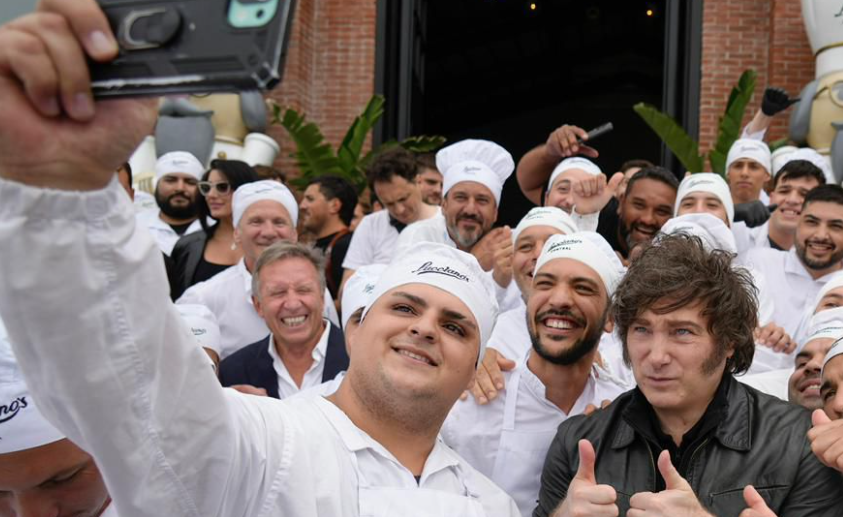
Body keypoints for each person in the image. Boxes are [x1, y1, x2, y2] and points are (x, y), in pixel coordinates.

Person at [534, 234, 843, 517]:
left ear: (729, 342)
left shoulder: (801, 444)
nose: (656, 356)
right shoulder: (578, 441)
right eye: (641, 329)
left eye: (682, 331)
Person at [442, 233, 627, 516]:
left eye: (583, 288)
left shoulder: (623, 411)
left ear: (610, 318)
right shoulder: (469, 403)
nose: (560, 299)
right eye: (545, 284)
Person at [177, 180, 339, 359]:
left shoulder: (316, 291)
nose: (269, 232)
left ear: (294, 234)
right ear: (237, 233)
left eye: (279, 222)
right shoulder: (202, 298)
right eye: (256, 222)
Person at [218, 242, 349, 399]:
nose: (292, 304)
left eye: (303, 290)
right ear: (258, 305)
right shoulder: (233, 372)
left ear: (322, 298)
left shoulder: (361, 359)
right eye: (278, 292)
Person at [741, 185, 843, 339]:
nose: (821, 235)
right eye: (812, 222)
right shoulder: (755, 263)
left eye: (836, 226)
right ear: (798, 222)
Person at [395, 139, 514, 256]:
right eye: (461, 197)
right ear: (444, 205)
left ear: (495, 213)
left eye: (482, 200)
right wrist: (476, 262)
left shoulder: (512, 249)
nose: (470, 210)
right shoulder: (417, 238)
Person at [341, 147, 438, 282]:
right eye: (388, 204)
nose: (399, 210)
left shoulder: (445, 222)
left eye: (403, 198)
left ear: (419, 182)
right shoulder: (370, 224)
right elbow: (347, 285)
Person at [168, 160, 260, 300]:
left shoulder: (270, 241)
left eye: (222, 187)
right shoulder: (188, 246)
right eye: (206, 188)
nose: (211, 195)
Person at [135, 151, 204, 256]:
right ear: (156, 185)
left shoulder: (216, 228)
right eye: (171, 180)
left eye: (190, 182)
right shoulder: (136, 225)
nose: (180, 188)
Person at [299, 175, 357, 299]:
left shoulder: (346, 246)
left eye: (310, 199)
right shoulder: (318, 245)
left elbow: (349, 300)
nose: (302, 206)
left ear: (334, 205)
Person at [751, 159, 825, 252]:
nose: (792, 200)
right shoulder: (738, 238)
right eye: (784, 191)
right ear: (771, 197)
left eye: (804, 194)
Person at [725, 139, 772, 205]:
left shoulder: (778, 214)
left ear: (767, 175)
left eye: (754, 167)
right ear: (728, 173)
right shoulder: (710, 213)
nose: (744, 173)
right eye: (738, 166)